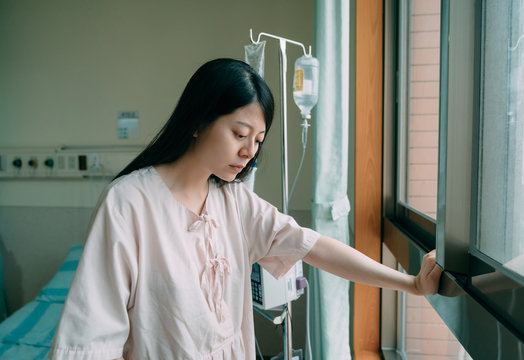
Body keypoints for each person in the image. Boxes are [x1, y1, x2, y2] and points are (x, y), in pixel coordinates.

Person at [49, 58, 442, 360]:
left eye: (258, 140)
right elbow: (92, 336)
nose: (249, 152)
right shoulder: (129, 203)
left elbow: (315, 247)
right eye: (239, 134)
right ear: (199, 121)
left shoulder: (233, 201)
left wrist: (410, 284)